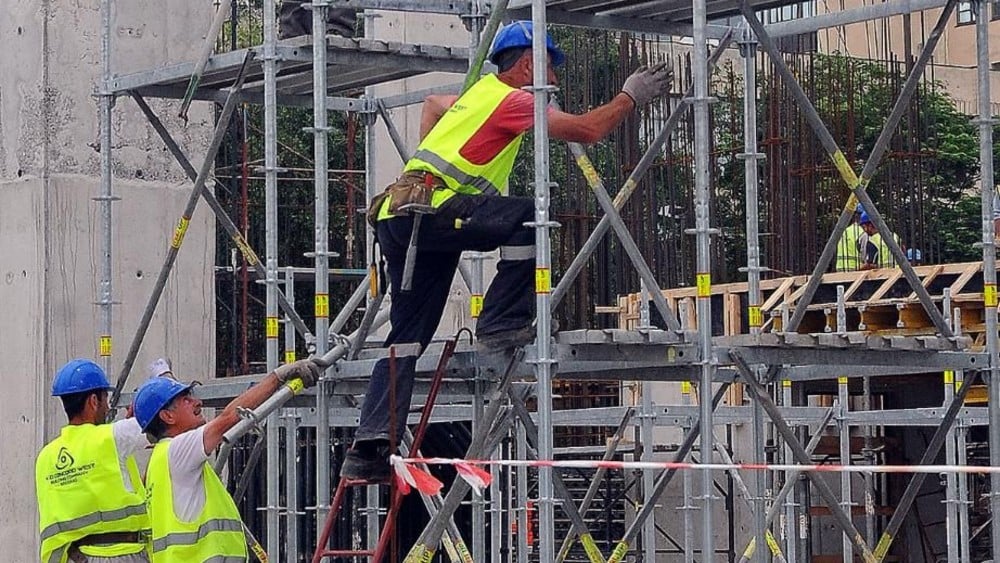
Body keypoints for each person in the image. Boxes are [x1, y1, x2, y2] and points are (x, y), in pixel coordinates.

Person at [341, 20, 673, 481]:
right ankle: (500, 323)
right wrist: (629, 96)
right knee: (530, 218)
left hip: (404, 215)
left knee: (407, 338)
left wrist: (427, 168)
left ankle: (370, 445)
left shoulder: (478, 95)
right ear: (526, 65)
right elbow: (587, 131)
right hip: (432, 214)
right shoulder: (513, 99)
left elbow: (432, 105)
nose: (554, 82)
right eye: (551, 70)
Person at [133, 359, 320, 562]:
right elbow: (230, 416)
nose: (197, 402)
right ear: (167, 416)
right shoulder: (177, 450)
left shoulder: (160, 461)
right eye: (185, 400)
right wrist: (279, 376)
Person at [36, 359, 152, 563]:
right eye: (105, 400)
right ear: (93, 401)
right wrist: (163, 380)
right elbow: (165, 421)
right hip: (121, 555)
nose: (108, 408)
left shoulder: (46, 455)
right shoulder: (111, 437)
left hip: (74, 557)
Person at [834, 203, 868, 272]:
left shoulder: (845, 231)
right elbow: (865, 256)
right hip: (856, 270)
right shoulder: (863, 233)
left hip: (840, 269)